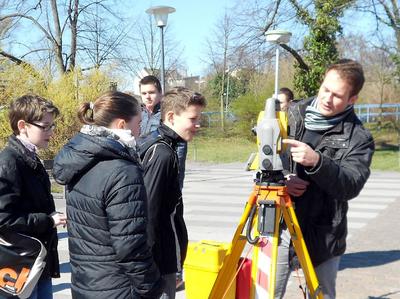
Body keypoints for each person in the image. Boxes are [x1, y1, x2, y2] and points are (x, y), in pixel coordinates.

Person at [274, 59, 375, 299]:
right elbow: (266, 154)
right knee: (264, 292)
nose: (327, 98)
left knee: (322, 294)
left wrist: (317, 162)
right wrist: (283, 179)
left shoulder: (359, 138)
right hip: (279, 225)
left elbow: (350, 185)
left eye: (337, 95)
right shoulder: (293, 113)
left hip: (323, 234)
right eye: (325, 89)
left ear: (352, 100)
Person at [52, 91, 163, 298]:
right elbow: (130, 245)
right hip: (118, 288)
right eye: (139, 122)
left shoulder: (79, 160)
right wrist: (152, 286)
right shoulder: (122, 170)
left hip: (85, 285)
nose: (141, 129)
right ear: (122, 125)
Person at [139, 87, 206, 299]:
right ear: (171, 116)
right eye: (192, 119)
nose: (197, 125)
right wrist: (149, 267)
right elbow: (150, 212)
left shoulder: (160, 144)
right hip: (159, 260)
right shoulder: (163, 153)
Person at [0, 94, 67, 299]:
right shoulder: (10, 161)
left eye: (52, 126)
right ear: (23, 125)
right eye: (45, 126)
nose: (51, 132)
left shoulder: (31, 158)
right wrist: (48, 221)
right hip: (20, 264)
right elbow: (4, 219)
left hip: (37, 261)